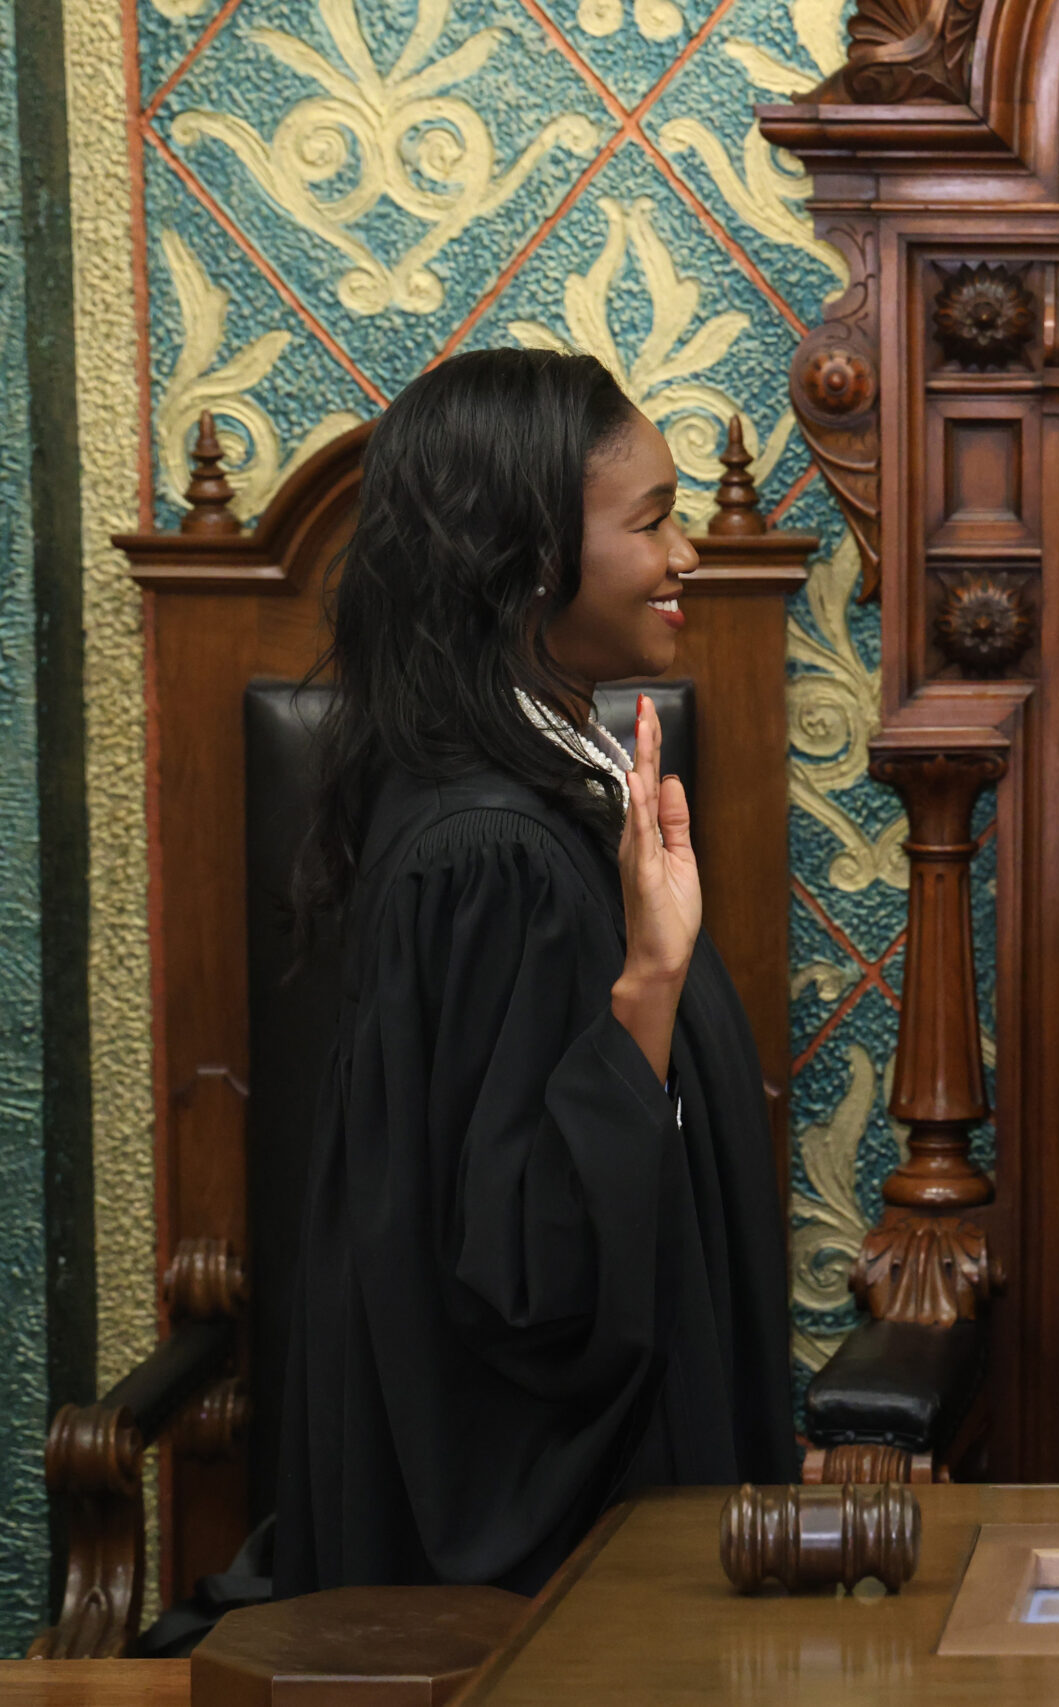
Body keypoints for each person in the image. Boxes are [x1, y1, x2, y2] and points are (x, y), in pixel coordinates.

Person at [274, 350, 795, 1594]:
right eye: (652, 523)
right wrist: (649, 992)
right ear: (524, 559)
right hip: (554, 1571)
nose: (686, 560)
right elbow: (523, 1278)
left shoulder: (544, 790)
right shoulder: (490, 855)